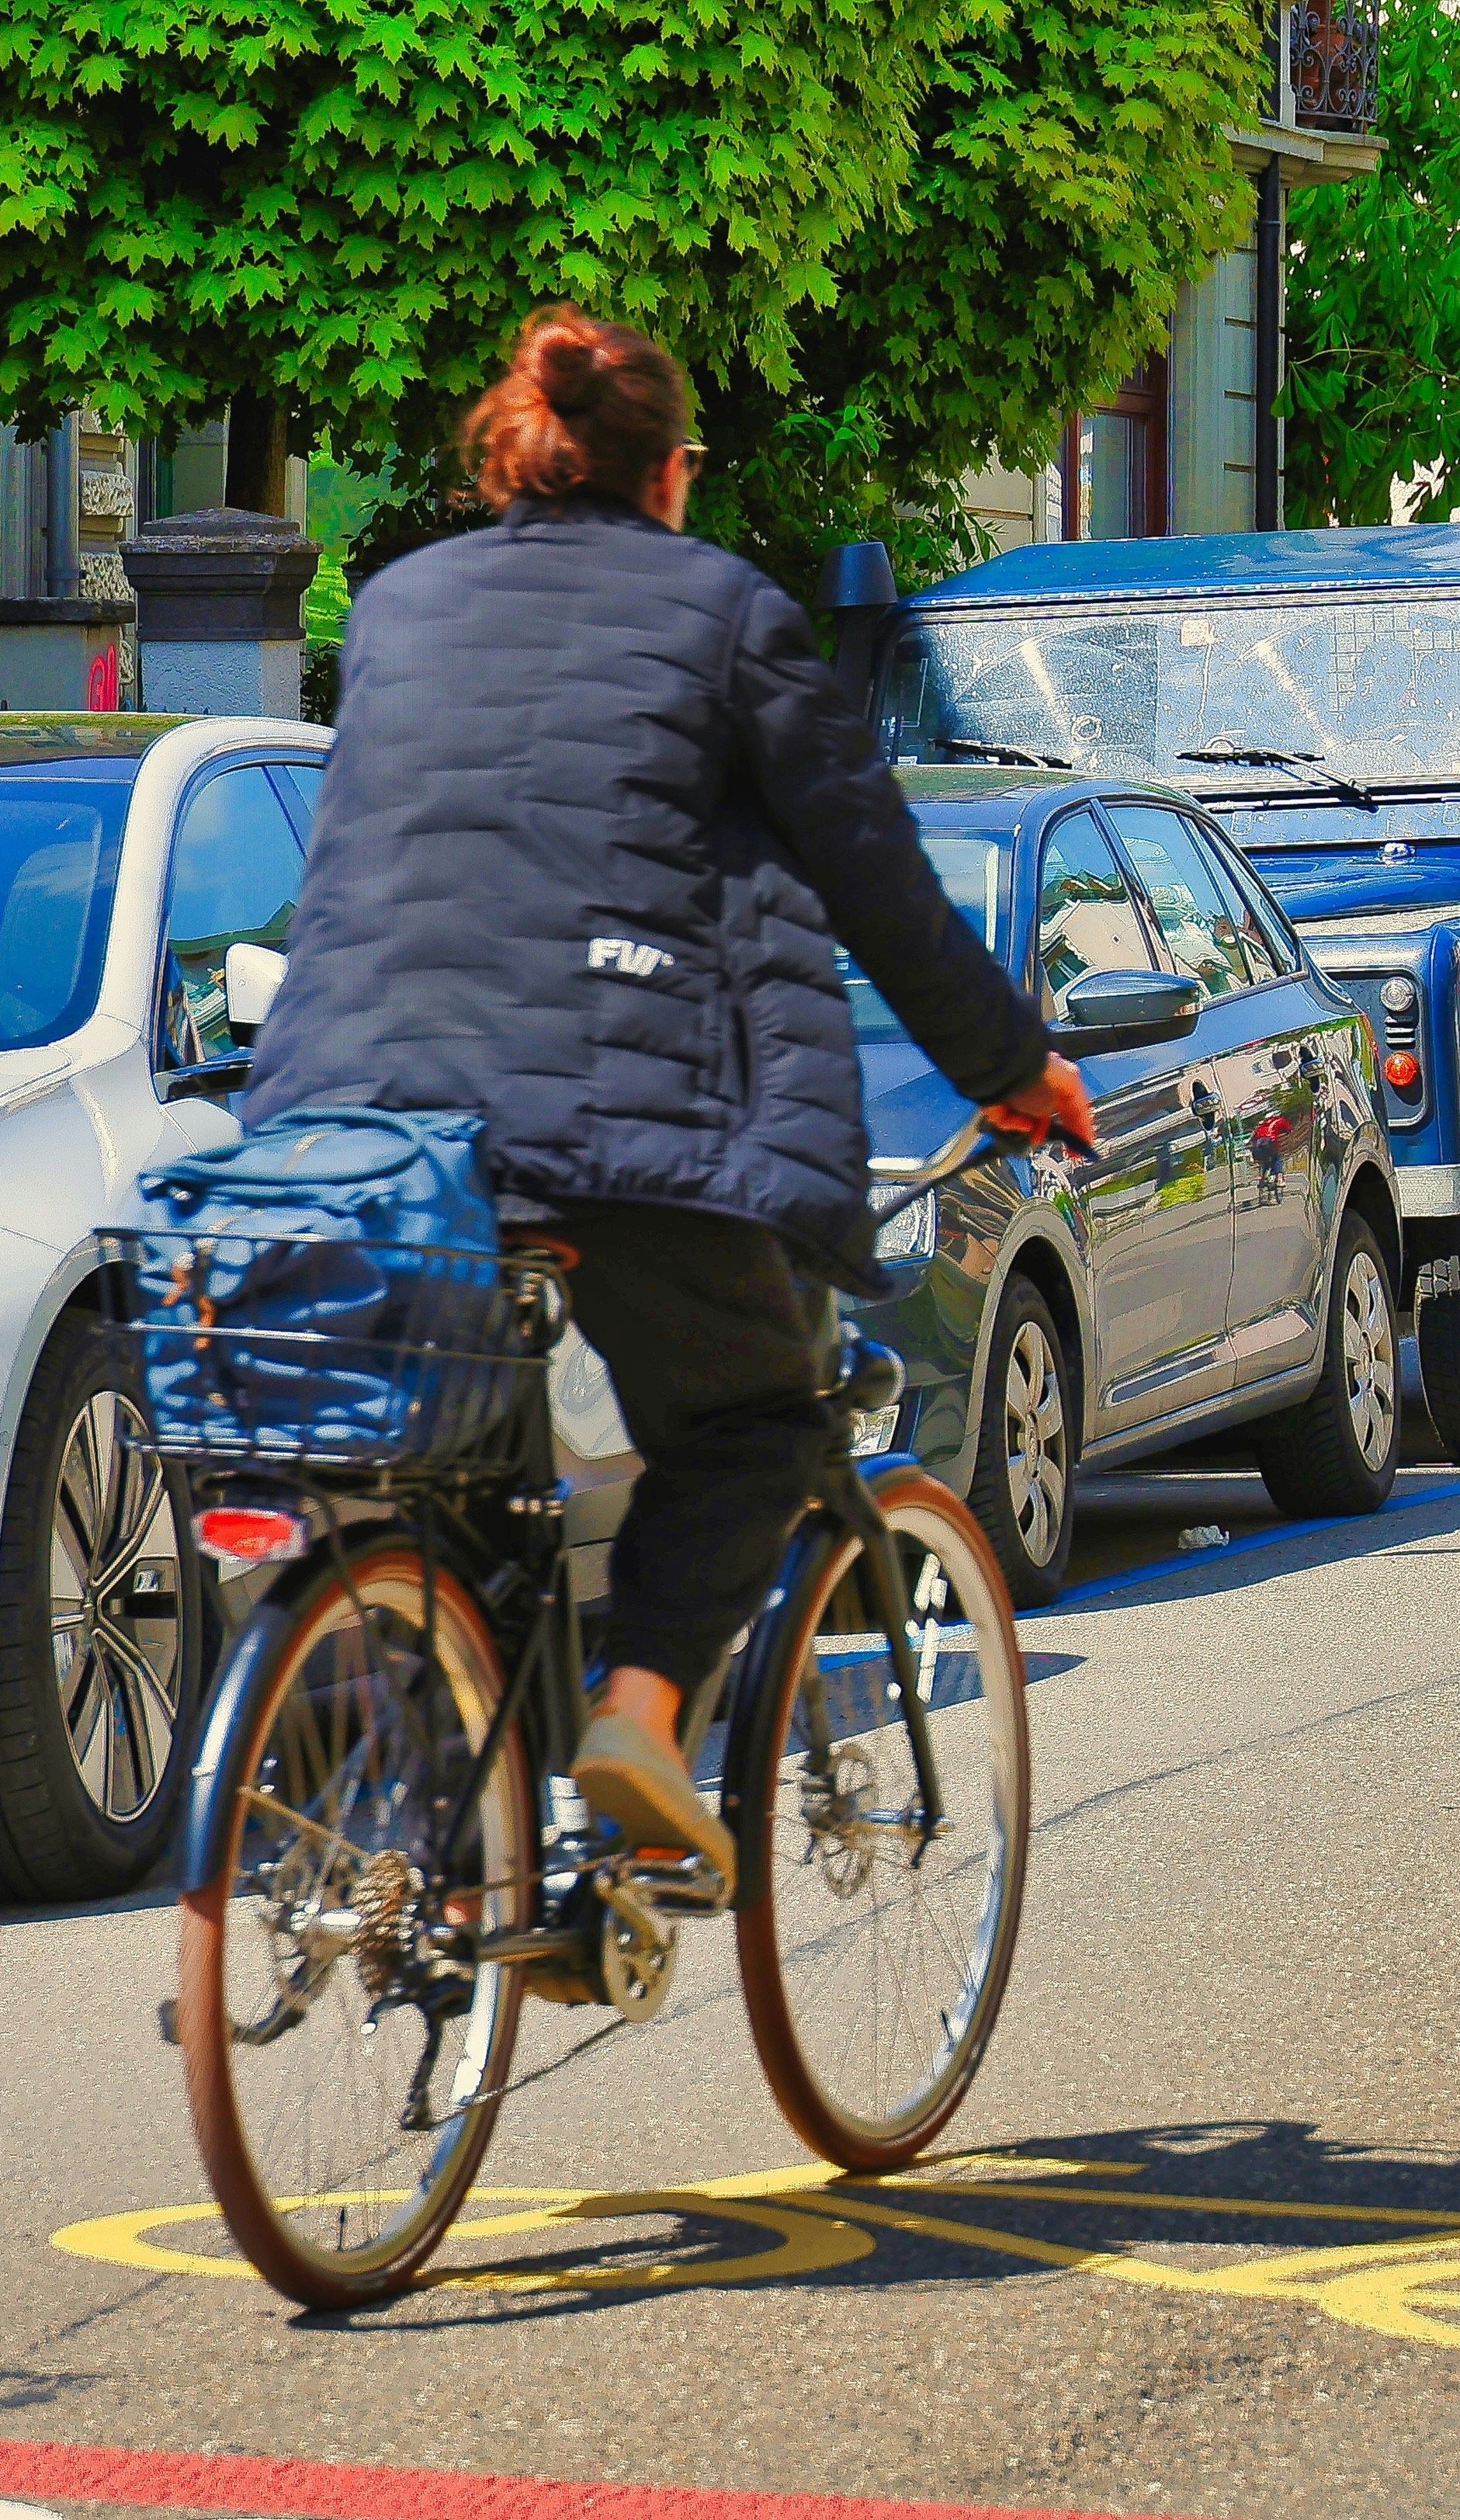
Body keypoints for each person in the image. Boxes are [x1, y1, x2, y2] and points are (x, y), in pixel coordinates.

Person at [244, 307, 1094, 1883]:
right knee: (757, 1423)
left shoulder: (402, 607)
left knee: (433, 1477)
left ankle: (422, 1826)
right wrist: (1013, 1065)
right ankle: (637, 1720)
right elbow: (875, 875)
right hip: (614, 1122)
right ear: (671, 474)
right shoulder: (727, 616)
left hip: (350, 1118)